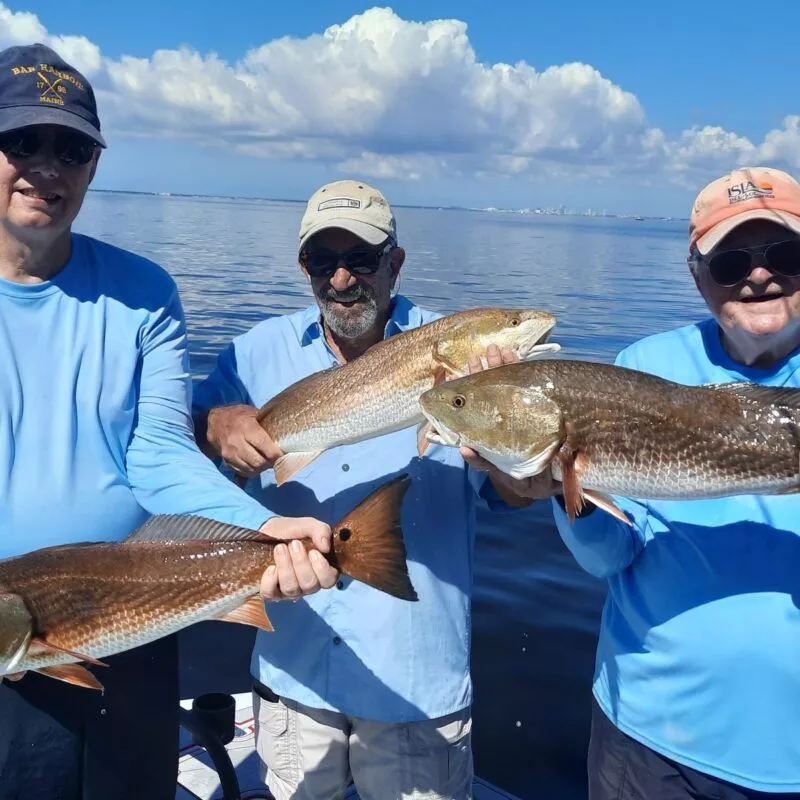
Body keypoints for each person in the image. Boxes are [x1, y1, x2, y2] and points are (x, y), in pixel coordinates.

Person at [0, 43, 336, 800]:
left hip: (136, 612)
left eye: (71, 147)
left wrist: (259, 527)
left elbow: (154, 450)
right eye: (22, 141)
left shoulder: (144, 293)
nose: (46, 166)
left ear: (92, 165)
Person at [192, 179, 538, 800]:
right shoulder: (252, 353)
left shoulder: (459, 350)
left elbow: (517, 495)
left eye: (363, 259)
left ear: (396, 261)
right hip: (295, 667)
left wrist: (505, 437)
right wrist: (216, 424)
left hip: (413, 675)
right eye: (324, 262)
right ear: (304, 267)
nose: (343, 280)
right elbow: (179, 451)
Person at [516, 166, 800, 799]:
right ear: (697, 274)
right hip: (651, 736)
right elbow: (611, 558)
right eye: (730, 263)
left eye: (785, 253)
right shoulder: (644, 367)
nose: (759, 274)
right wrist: (572, 493)